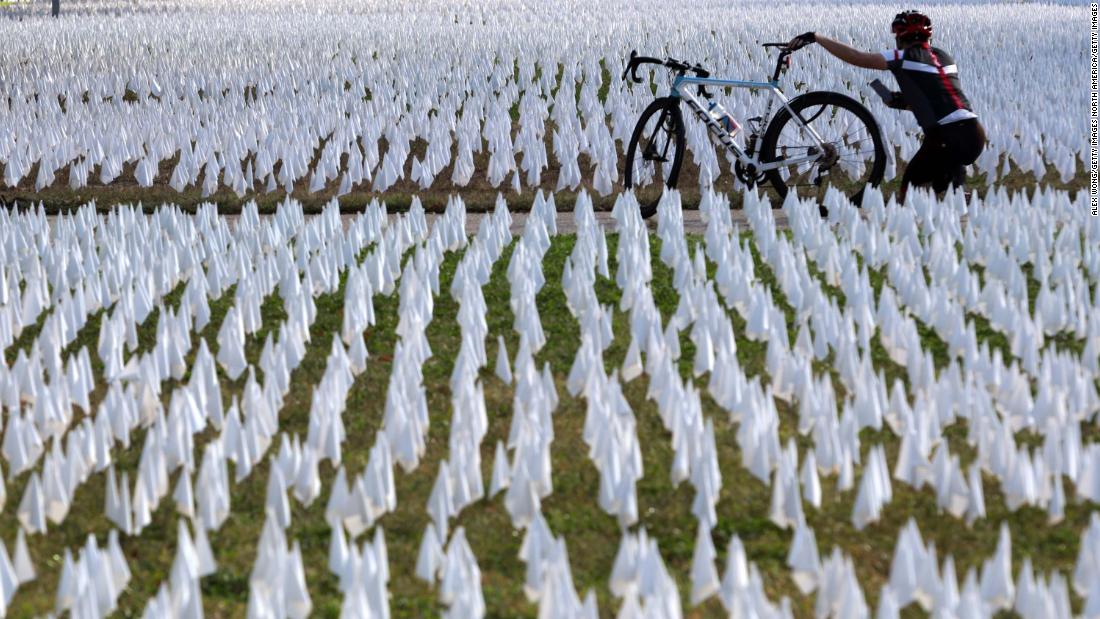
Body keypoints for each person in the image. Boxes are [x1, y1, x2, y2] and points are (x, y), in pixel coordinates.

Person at [786, 11, 986, 202]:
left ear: (900, 37)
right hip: (973, 134)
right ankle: (961, 210)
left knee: (910, 191)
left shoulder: (903, 56)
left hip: (945, 137)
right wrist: (901, 101)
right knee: (943, 188)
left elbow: (858, 57)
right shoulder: (944, 57)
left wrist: (817, 37)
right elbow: (941, 100)